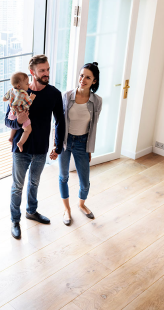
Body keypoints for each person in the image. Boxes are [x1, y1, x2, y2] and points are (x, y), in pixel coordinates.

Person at [5, 54, 65, 239]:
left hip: (40, 148)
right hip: (21, 149)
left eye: (47, 69)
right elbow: (8, 121)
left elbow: (60, 121)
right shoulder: (18, 92)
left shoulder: (54, 94)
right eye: (42, 71)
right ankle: (15, 220)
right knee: (17, 186)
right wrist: (19, 122)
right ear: (32, 72)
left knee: (34, 183)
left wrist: (58, 145)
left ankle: (31, 211)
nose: (46, 73)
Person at [58, 62, 102, 226]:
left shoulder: (97, 101)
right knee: (63, 177)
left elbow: (93, 126)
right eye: (81, 75)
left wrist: (89, 149)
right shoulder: (66, 96)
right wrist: (56, 146)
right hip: (65, 141)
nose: (82, 79)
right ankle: (67, 209)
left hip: (82, 142)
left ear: (94, 81)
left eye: (87, 77)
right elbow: (59, 124)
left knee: (85, 182)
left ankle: (81, 204)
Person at [3, 71, 36, 152]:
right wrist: (31, 98)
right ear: (19, 85)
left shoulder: (11, 90)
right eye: (27, 83)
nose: (28, 85)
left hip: (12, 113)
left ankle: (11, 138)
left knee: (15, 127)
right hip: (22, 114)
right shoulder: (24, 94)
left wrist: (10, 100)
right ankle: (20, 143)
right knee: (28, 130)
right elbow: (28, 104)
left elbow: (4, 99)